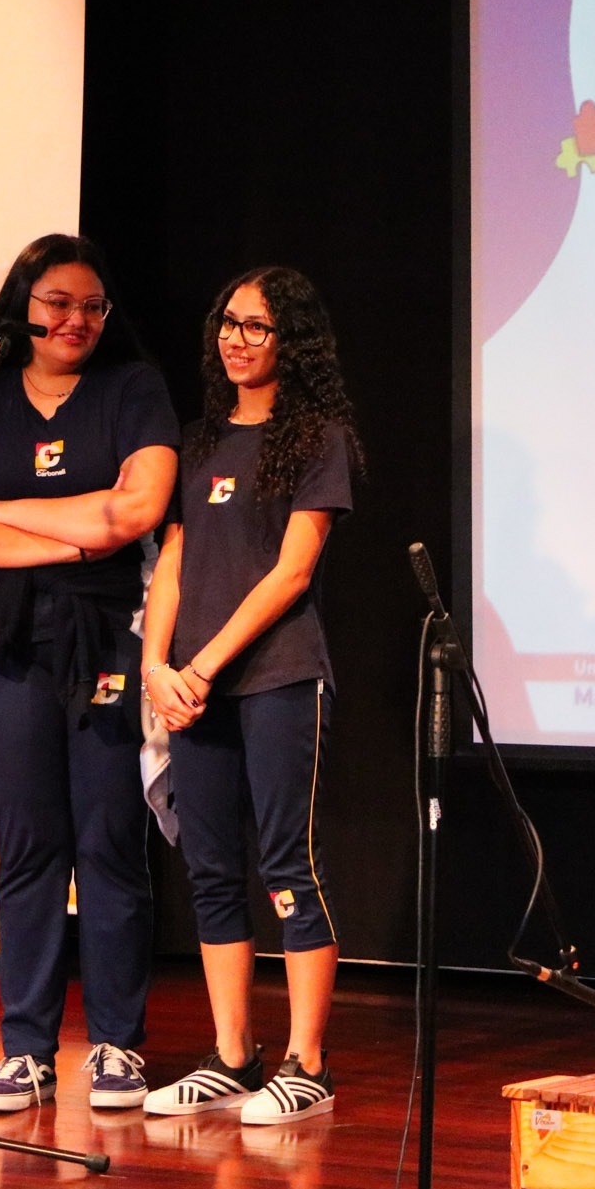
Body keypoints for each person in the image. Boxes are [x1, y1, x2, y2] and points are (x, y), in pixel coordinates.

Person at [0, 233, 179, 1113]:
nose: (77, 319)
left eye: (93, 306)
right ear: (20, 304)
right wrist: (74, 531)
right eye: (58, 302)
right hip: (9, 640)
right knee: (28, 846)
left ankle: (116, 1044)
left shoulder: (132, 388)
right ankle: (25, 1049)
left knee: (109, 839)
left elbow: (135, 512)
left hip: (108, 638)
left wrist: (2, 513)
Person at [139, 266, 360, 1125]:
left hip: (277, 677)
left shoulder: (317, 439)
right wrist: (157, 666)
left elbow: (292, 572)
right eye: (228, 322)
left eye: (257, 326)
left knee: (287, 862)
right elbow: (172, 564)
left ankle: (309, 1062)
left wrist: (202, 666)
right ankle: (232, 1055)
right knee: (209, 867)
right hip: (192, 687)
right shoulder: (198, 441)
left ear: (291, 340)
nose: (237, 339)